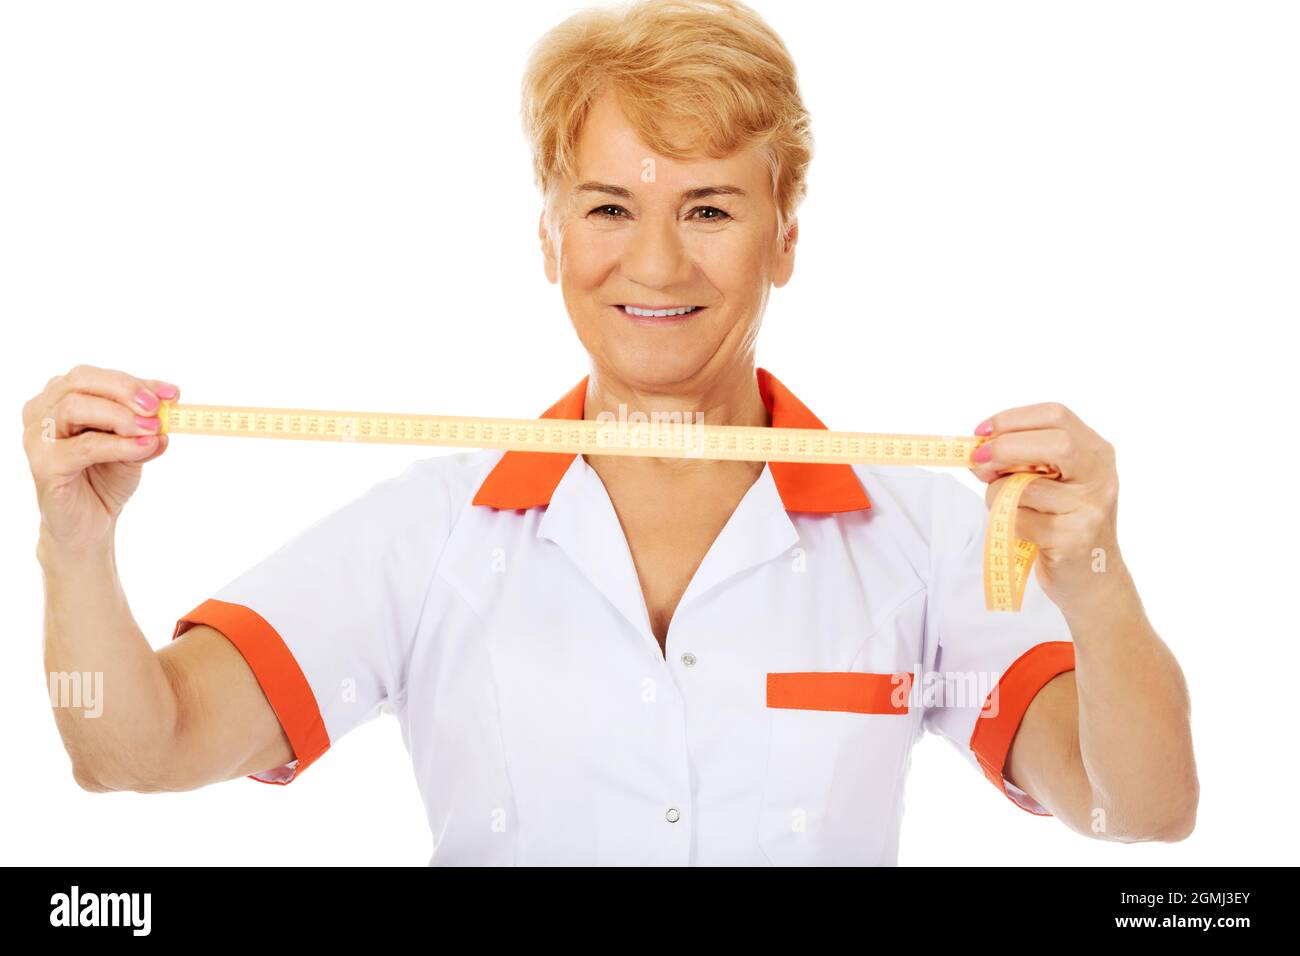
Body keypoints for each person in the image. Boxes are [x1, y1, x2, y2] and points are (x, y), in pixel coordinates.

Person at [24, 0, 1196, 865]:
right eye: (607, 206)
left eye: (709, 207)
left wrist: (1094, 579)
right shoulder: (432, 533)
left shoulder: (926, 537)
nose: (654, 262)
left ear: (785, 236)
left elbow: (1138, 806)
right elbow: (133, 750)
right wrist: (74, 545)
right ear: (547, 236)